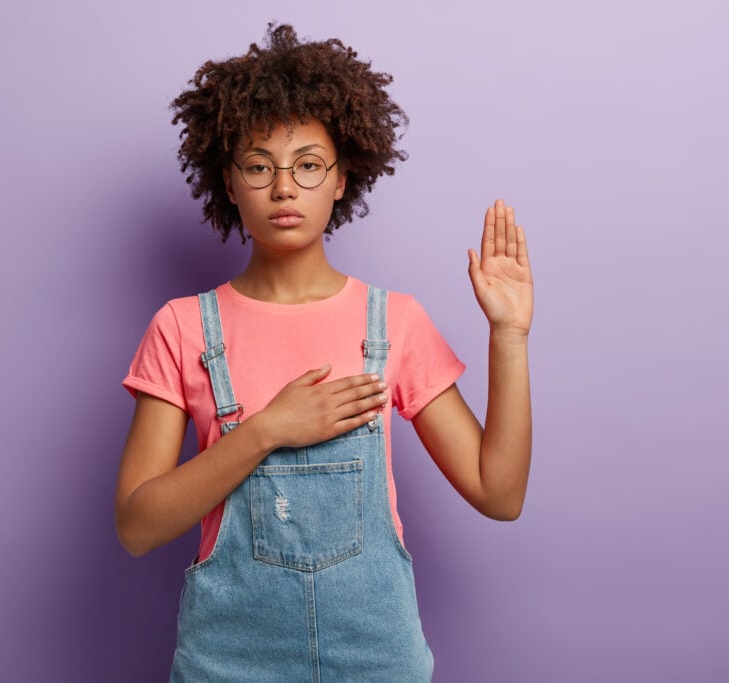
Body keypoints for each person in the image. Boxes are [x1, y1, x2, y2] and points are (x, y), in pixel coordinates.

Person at [116, 23, 533, 681]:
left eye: (308, 164)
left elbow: (499, 492)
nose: (285, 187)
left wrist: (508, 336)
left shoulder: (394, 321)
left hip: (376, 660)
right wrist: (267, 430)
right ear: (229, 182)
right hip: (229, 661)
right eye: (259, 166)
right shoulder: (183, 328)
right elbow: (137, 525)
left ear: (342, 179)